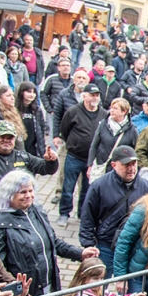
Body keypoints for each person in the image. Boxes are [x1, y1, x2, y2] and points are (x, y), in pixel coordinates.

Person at [79, 146, 148, 290]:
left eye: (134, 164)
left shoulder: (145, 186)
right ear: (114, 165)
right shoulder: (99, 186)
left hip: (132, 247)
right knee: (99, 289)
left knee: (129, 293)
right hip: (106, 245)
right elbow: (87, 217)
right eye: (126, 164)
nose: (131, 168)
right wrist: (88, 244)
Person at [58, 83, 107, 226]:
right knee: (68, 187)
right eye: (92, 95)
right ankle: (64, 214)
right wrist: (74, 144)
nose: (95, 98)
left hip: (91, 160)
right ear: (84, 96)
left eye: (97, 95)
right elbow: (64, 130)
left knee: (86, 189)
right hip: (74, 156)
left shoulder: (104, 114)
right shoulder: (73, 111)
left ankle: (82, 214)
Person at [87, 97, 137, 177]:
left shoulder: (132, 130)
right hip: (101, 166)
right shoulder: (103, 124)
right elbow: (94, 145)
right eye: (111, 108)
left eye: (115, 108)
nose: (112, 110)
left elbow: (135, 151)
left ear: (124, 111)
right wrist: (90, 165)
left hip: (119, 170)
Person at [15, 82, 47, 157]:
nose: (32, 95)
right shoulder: (15, 109)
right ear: (21, 92)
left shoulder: (37, 110)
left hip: (34, 149)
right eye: (29, 92)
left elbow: (41, 130)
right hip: (20, 147)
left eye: (34, 92)